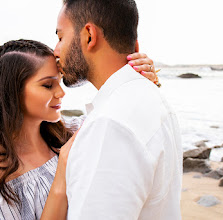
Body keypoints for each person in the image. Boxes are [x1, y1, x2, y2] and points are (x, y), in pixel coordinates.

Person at [0, 39, 159, 219]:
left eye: (59, 82)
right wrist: (61, 175)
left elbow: (126, 118)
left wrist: (143, 81)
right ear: (13, 93)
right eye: (47, 85)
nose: (61, 92)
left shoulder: (70, 133)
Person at [54, 0, 183, 219]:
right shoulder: (154, 98)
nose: (55, 50)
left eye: (60, 37)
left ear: (89, 36)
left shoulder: (109, 125)